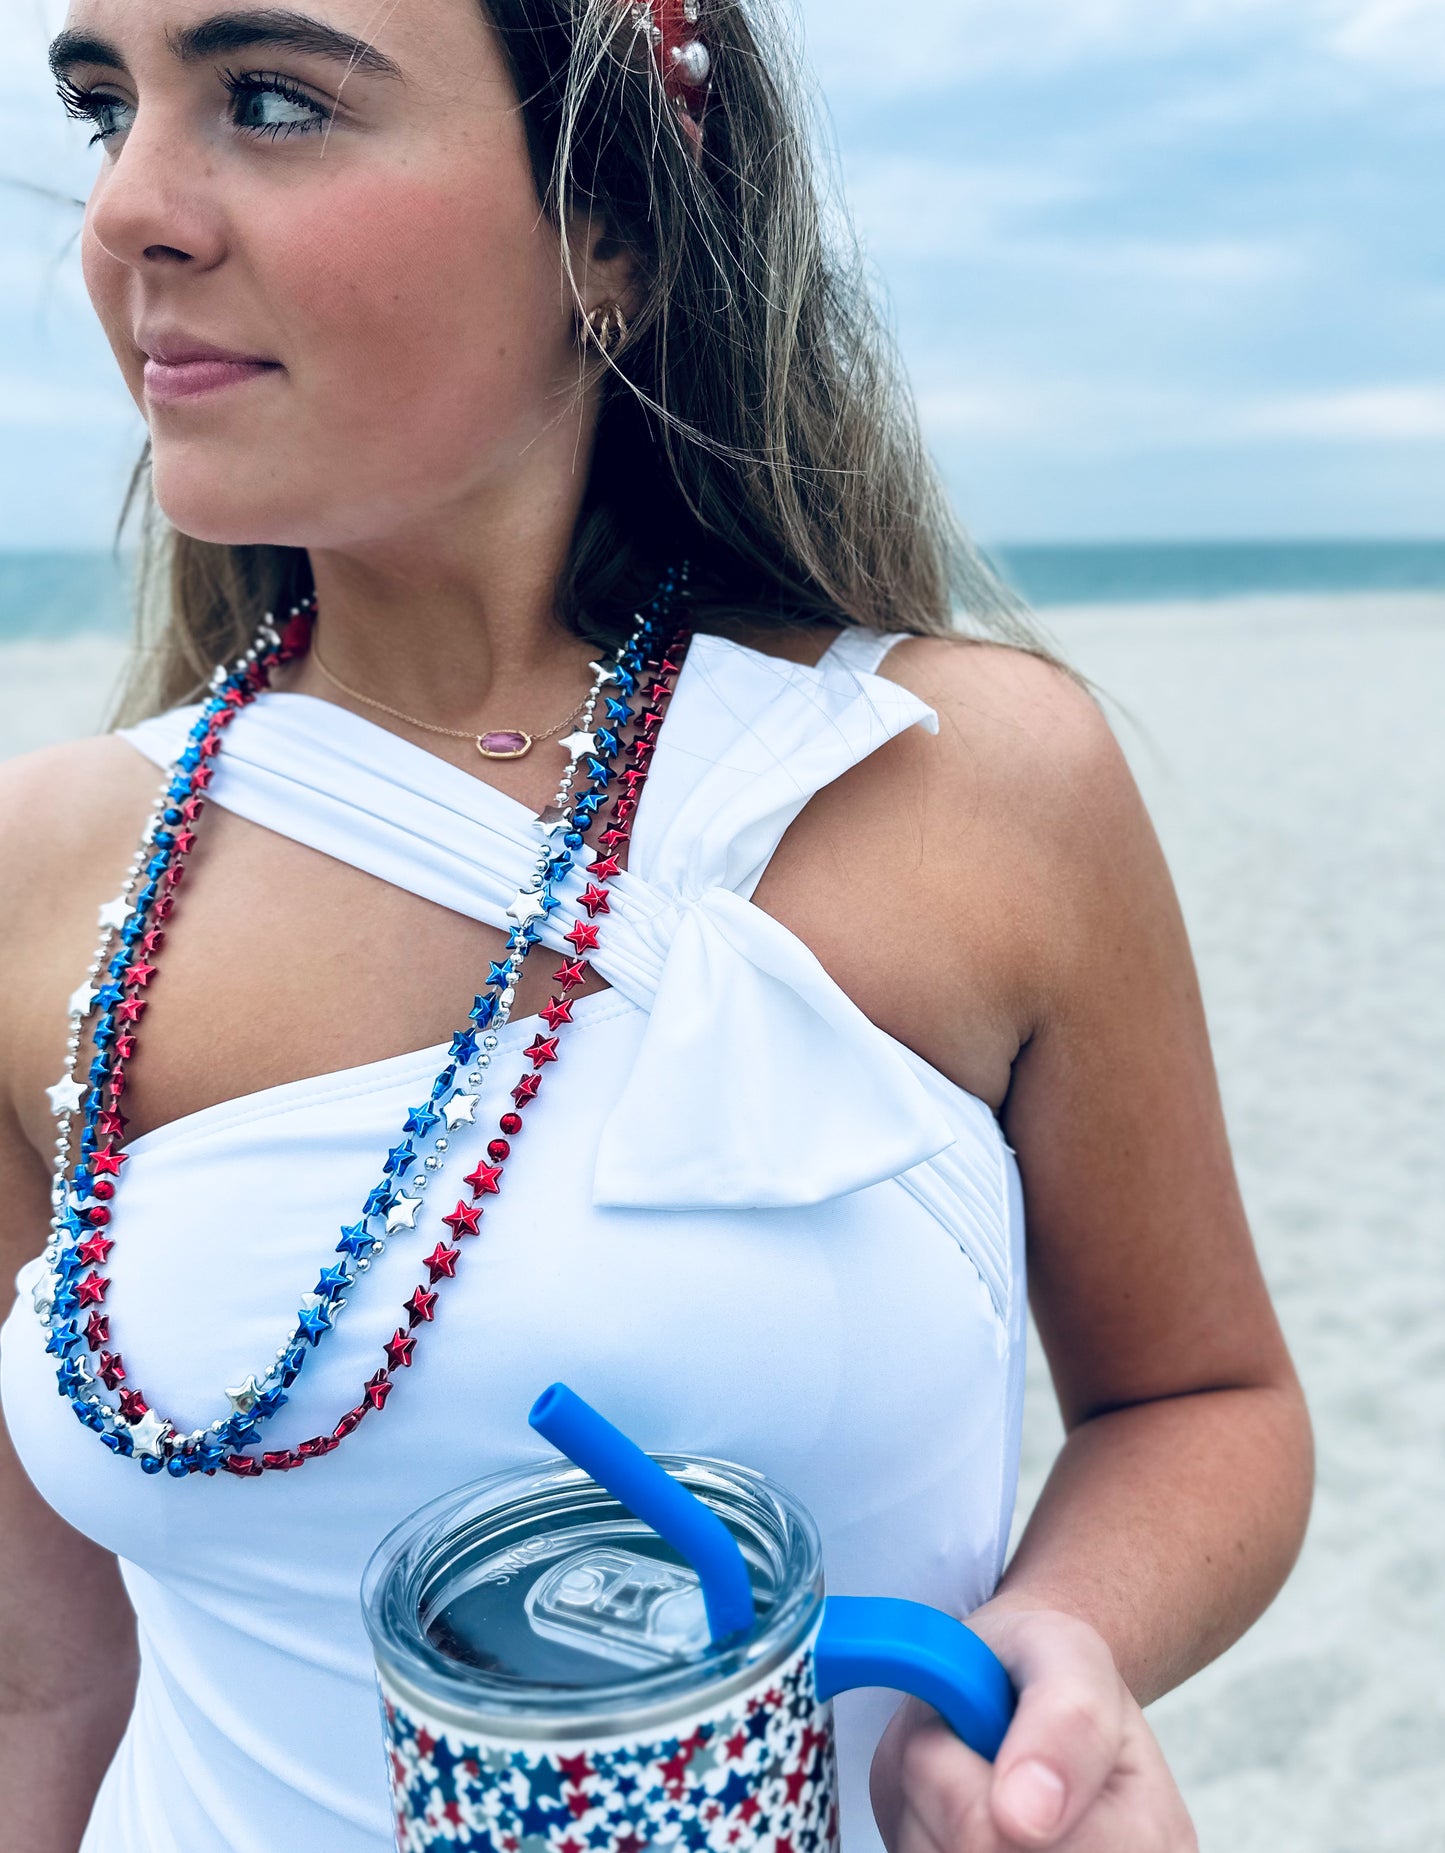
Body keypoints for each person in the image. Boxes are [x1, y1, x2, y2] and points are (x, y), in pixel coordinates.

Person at [0, 1, 1313, 1849]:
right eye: (102, 110)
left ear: (604, 224)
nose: (129, 209)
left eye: (272, 100)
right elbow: (42, 1682)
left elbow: (1204, 1395)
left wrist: (1058, 1646)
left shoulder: (961, 782)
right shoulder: (44, 877)